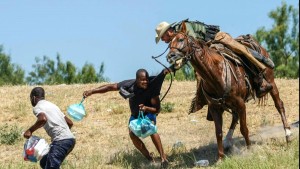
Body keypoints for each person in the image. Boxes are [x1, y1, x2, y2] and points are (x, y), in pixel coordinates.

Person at [155, 19, 273, 118]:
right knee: (201, 74)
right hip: (207, 50)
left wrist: (178, 63)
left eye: (163, 37)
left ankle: (261, 68)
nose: (163, 40)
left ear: (168, 32)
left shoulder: (183, 29)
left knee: (239, 50)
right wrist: (174, 66)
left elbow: (193, 46)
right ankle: (210, 101)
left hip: (217, 39)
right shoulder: (175, 41)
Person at [83, 68, 170, 168]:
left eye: (146, 79)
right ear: (136, 79)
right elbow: (110, 87)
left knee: (151, 129)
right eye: (142, 80)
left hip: (148, 113)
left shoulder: (151, 88)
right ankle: (150, 159)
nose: (145, 82)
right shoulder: (129, 85)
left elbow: (157, 109)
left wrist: (146, 108)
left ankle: (163, 158)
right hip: (135, 115)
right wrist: (92, 91)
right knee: (132, 135)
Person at [24, 87, 76, 169]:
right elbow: (70, 122)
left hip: (61, 141)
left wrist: (30, 130)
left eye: (30, 98)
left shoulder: (38, 106)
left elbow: (42, 119)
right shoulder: (53, 105)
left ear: (33, 98)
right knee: (44, 162)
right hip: (71, 140)